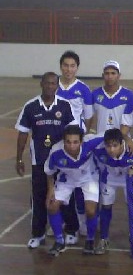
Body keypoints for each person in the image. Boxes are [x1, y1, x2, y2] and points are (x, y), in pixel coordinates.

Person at [15, 72, 78, 249]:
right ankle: (38, 233)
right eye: (47, 83)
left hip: (62, 161)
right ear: (41, 84)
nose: (50, 87)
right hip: (39, 161)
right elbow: (22, 133)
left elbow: (73, 132)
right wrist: (19, 158)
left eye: (53, 84)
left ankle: (71, 230)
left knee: (66, 195)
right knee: (38, 196)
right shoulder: (31, 106)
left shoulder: (65, 106)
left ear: (57, 86)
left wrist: (73, 155)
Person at [45, 125, 103, 256]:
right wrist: (50, 190)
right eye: (68, 142)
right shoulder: (55, 151)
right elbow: (49, 172)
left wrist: (127, 141)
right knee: (52, 206)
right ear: (63, 141)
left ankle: (90, 240)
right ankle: (59, 241)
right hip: (67, 178)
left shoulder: (90, 141)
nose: (72, 146)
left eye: (75, 142)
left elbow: (110, 134)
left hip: (89, 176)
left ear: (82, 141)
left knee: (91, 210)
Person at [57, 50, 94, 238]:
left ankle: (82, 224)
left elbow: (88, 118)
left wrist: (80, 137)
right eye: (65, 65)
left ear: (77, 68)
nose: (69, 69)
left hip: (75, 144)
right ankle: (64, 221)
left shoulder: (84, 89)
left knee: (79, 184)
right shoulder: (53, 87)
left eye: (72, 66)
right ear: (61, 66)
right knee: (60, 183)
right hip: (57, 142)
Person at [93, 128, 133, 255]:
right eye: (108, 146)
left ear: (122, 144)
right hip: (109, 178)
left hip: (129, 177)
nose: (111, 149)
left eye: (115, 146)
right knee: (105, 206)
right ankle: (104, 238)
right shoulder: (97, 147)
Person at [92, 60, 133, 133]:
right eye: (107, 73)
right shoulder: (94, 94)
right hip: (100, 140)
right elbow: (89, 116)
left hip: (120, 141)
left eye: (113, 73)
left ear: (119, 75)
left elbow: (132, 121)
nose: (110, 76)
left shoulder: (129, 95)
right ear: (103, 75)